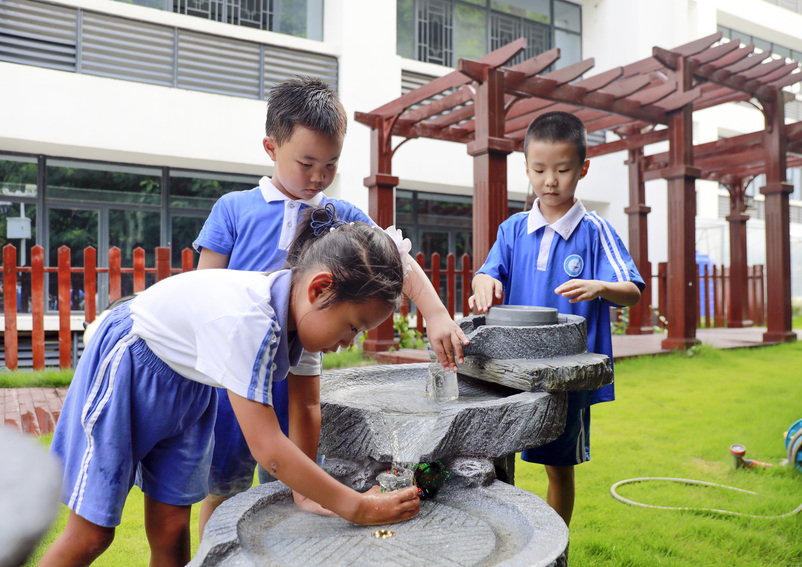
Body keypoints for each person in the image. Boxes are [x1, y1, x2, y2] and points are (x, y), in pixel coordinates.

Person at [40, 208, 421, 567]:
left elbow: (306, 408)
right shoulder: (248, 320)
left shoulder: (304, 321)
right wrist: (356, 506)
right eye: (353, 326)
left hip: (191, 387)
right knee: (93, 534)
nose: (350, 342)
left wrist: (304, 493)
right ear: (320, 289)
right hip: (133, 364)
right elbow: (268, 449)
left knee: (172, 528)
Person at [192, 76, 467, 534]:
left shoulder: (341, 217)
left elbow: (395, 259)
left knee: (296, 478)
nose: (318, 176)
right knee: (223, 487)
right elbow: (206, 289)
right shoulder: (234, 209)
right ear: (271, 147)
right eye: (307, 163)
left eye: (331, 164)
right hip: (233, 374)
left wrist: (435, 311)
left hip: (299, 364)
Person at [468, 111, 644, 527]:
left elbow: (633, 291)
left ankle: (554, 548)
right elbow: (488, 271)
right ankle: (507, 540)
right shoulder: (513, 229)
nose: (550, 181)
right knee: (494, 459)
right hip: (509, 369)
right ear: (525, 167)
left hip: (564, 377)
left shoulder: (595, 230)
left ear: (582, 168)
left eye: (562, 170)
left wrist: (599, 287)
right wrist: (482, 281)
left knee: (558, 467)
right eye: (540, 169)